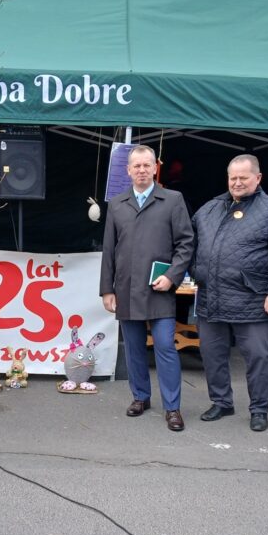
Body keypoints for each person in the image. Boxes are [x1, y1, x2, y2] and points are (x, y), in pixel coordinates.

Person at [190, 154, 268, 432]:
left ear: (257, 178)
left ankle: (259, 409)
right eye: (232, 178)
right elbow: (188, 243)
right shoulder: (210, 208)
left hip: (253, 300)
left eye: (243, 178)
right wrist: (195, 270)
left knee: (259, 358)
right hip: (211, 298)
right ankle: (221, 402)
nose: (237, 183)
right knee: (212, 354)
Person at [100, 144, 194, 432]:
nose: (141, 170)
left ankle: (173, 407)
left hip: (160, 288)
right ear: (128, 170)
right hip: (126, 289)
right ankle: (140, 397)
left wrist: (173, 276)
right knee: (134, 349)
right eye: (136, 166)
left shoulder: (173, 200)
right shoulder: (117, 204)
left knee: (165, 345)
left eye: (146, 165)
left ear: (155, 168)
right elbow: (109, 250)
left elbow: (186, 243)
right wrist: (107, 289)